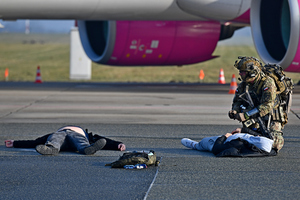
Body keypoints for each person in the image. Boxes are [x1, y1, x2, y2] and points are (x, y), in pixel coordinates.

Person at [228, 56, 284, 152]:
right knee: (248, 141)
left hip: (271, 115)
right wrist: (235, 110)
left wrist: (246, 115)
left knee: (274, 144)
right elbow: (237, 100)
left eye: (243, 72)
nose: (240, 74)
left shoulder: (268, 82)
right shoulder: (244, 85)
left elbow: (267, 105)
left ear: (252, 73)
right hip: (254, 115)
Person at [5, 125, 126, 155]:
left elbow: (102, 140)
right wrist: (15, 143)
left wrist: (117, 145)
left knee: (80, 141)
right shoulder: (57, 133)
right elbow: (35, 142)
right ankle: (52, 149)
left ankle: (87, 149)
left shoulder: (86, 135)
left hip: (77, 137)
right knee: (55, 139)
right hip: (60, 136)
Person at [181, 128, 276, 157]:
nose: (257, 136)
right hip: (231, 138)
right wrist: (242, 130)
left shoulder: (238, 144)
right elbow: (256, 135)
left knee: (204, 142)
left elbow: (217, 149)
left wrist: (224, 137)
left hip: (220, 142)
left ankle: (194, 145)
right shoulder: (262, 145)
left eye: (258, 138)